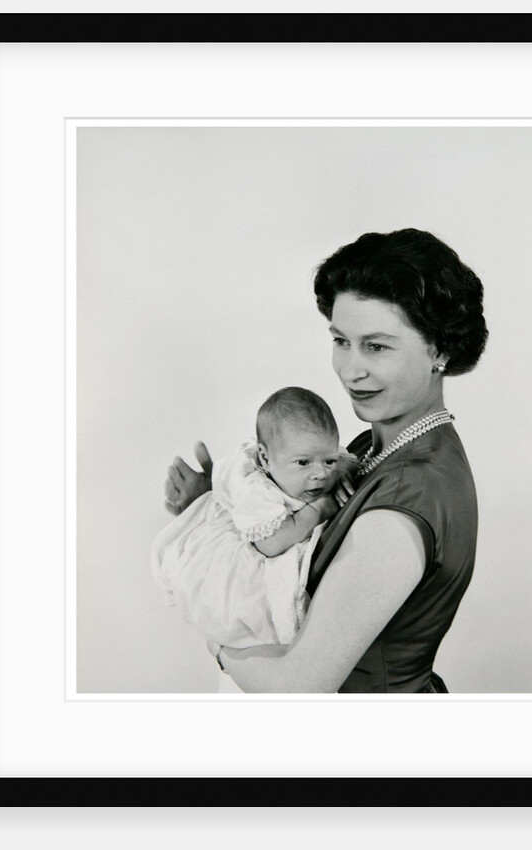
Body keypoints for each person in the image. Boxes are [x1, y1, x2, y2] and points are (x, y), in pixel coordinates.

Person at [164, 228, 488, 693]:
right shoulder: (367, 449)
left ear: (439, 350)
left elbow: (297, 688)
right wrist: (216, 510)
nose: (350, 370)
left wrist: (217, 637)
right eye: (341, 341)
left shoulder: (405, 501)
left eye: (376, 346)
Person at [152, 387, 355, 652]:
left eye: (328, 460)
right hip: (241, 562)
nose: (320, 474)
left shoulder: (306, 460)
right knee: (252, 608)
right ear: (265, 458)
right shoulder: (257, 490)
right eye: (303, 462)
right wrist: (318, 510)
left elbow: (346, 462)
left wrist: (343, 473)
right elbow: (271, 544)